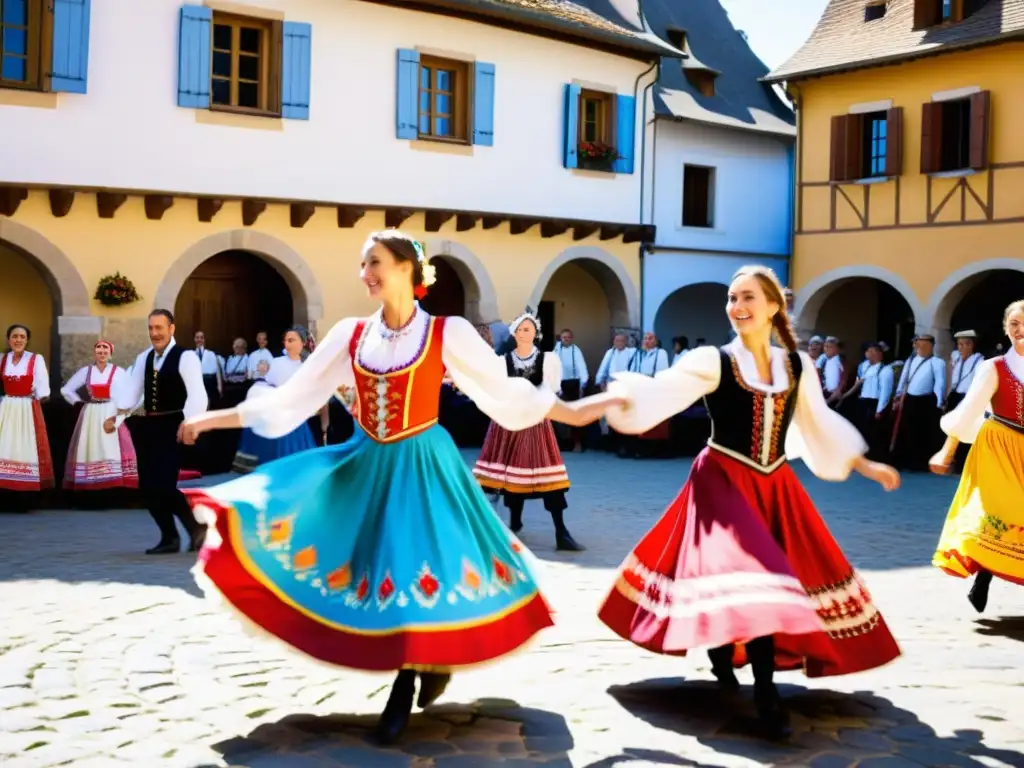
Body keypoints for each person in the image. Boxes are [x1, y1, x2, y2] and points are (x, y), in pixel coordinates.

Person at [175, 229, 621, 745]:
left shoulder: (446, 332)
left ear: (409, 268)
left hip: (424, 465)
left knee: (414, 566)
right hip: (366, 463)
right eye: (363, 264)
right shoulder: (350, 334)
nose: (365, 273)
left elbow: (504, 392)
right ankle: (425, 666)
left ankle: (405, 685)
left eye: (375, 262)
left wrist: (578, 410)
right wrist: (214, 419)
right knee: (372, 567)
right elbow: (292, 397)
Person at [597, 265, 902, 740]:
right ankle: (764, 691)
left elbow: (818, 422)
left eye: (747, 299)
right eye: (731, 299)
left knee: (776, 575)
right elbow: (661, 393)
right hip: (721, 481)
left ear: (773, 307)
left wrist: (865, 465)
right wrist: (609, 403)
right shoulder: (713, 360)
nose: (736, 308)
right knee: (757, 576)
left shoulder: (797, 366)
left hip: (774, 484)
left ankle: (746, 669)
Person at [930, 300, 1024, 614]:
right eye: (1014, 324)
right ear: (1005, 328)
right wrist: (947, 449)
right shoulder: (994, 367)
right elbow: (966, 413)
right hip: (998, 444)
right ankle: (984, 576)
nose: (1020, 330)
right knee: (1002, 510)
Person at [472, 308, 583, 551]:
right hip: (506, 423)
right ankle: (512, 524)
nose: (524, 333)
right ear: (514, 333)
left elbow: (551, 389)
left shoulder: (547, 360)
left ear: (536, 333)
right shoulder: (503, 361)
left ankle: (561, 532)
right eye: (521, 329)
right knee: (506, 476)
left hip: (535, 424)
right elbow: (493, 387)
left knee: (547, 479)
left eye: (529, 329)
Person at [116, 309, 209, 554]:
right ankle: (171, 537)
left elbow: (198, 394)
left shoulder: (186, 356)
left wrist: (189, 423)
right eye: (151, 328)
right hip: (149, 427)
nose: (155, 333)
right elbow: (133, 391)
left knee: (164, 484)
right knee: (147, 486)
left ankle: (195, 528)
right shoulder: (145, 357)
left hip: (174, 425)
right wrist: (115, 416)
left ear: (171, 328)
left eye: (159, 327)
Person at [232, 326, 326, 473]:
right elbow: (267, 384)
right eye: (286, 341)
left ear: (303, 342)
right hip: (278, 413)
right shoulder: (277, 362)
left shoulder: (309, 365)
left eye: (291, 340)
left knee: (298, 463)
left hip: (298, 418)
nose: (287, 344)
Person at [60, 340, 138, 491]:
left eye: (105, 349)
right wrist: (78, 403)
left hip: (109, 411)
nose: (102, 352)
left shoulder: (118, 372)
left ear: (110, 354)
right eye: (99, 349)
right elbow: (66, 390)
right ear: (94, 352)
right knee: (91, 445)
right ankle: (91, 485)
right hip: (91, 413)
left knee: (109, 446)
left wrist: (122, 410)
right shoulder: (86, 371)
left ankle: (110, 486)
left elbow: (131, 392)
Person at [0, 324, 54, 499]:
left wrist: (32, 394)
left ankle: (22, 495)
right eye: (15, 336)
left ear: (27, 340)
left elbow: (44, 389)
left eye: (22, 337)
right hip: (6, 407)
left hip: (26, 408)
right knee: (4, 445)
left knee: (24, 445)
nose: (18, 340)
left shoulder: (35, 359)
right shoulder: (2, 359)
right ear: (9, 339)